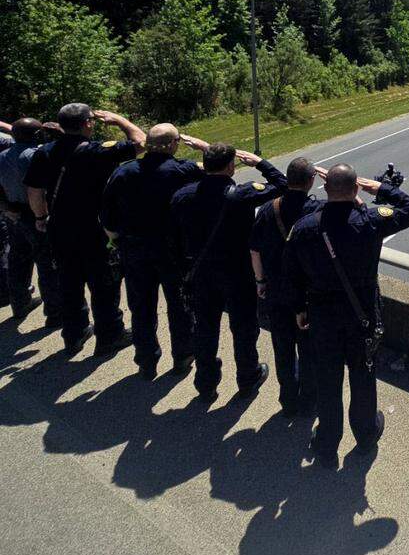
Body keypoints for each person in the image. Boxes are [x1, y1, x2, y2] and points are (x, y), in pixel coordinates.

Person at [283, 164, 409, 468]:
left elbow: (291, 274)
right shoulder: (370, 220)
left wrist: (299, 309)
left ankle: (327, 445)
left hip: (322, 318)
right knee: (362, 377)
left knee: (328, 381)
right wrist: (378, 189)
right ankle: (365, 435)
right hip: (362, 317)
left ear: (325, 189)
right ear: (356, 189)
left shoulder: (305, 227)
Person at [24, 104, 144, 356]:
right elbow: (141, 142)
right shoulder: (97, 151)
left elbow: (34, 190)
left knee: (69, 281)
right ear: (88, 124)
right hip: (94, 229)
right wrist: (120, 119)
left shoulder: (44, 153)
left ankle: (74, 333)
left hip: (59, 228)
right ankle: (109, 335)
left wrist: (40, 217)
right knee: (104, 284)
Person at [170, 143, 285, 401]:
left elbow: (175, 234)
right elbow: (284, 185)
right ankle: (247, 376)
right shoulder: (240, 195)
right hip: (237, 272)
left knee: (205, 328)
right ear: (232, 166)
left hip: (201, 273)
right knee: (244, 326)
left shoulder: (183, 196)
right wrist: (260, 163)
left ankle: (206, 382)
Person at [100, 124, 210, 379]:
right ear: (173, 145)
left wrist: (117, 240)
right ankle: (183, 355)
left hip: (135, 249)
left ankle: (146, 360)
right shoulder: (183, 171)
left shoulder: (123, 173)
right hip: (173, 251)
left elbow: (107, 215)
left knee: (141, 307)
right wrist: (204, 148)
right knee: (180, 305)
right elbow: (215, 175)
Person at [249, 157, 321, 417]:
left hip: (277, 293)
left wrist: (260, 281)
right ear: (311, 180)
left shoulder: (270, 208)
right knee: (309, 351)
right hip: (308, 295)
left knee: (283, 350)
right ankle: (309, 400)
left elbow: (255, 250)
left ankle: (288, 400)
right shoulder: (317, 210)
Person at [1, 118, 62, 324]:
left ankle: (20, 303)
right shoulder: (39, 155)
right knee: (47, 264)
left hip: (13, 213)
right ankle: (55, 312)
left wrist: (6, 208)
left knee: (17, 259)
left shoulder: (2, 156)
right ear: (38, 135)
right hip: (37, 214)